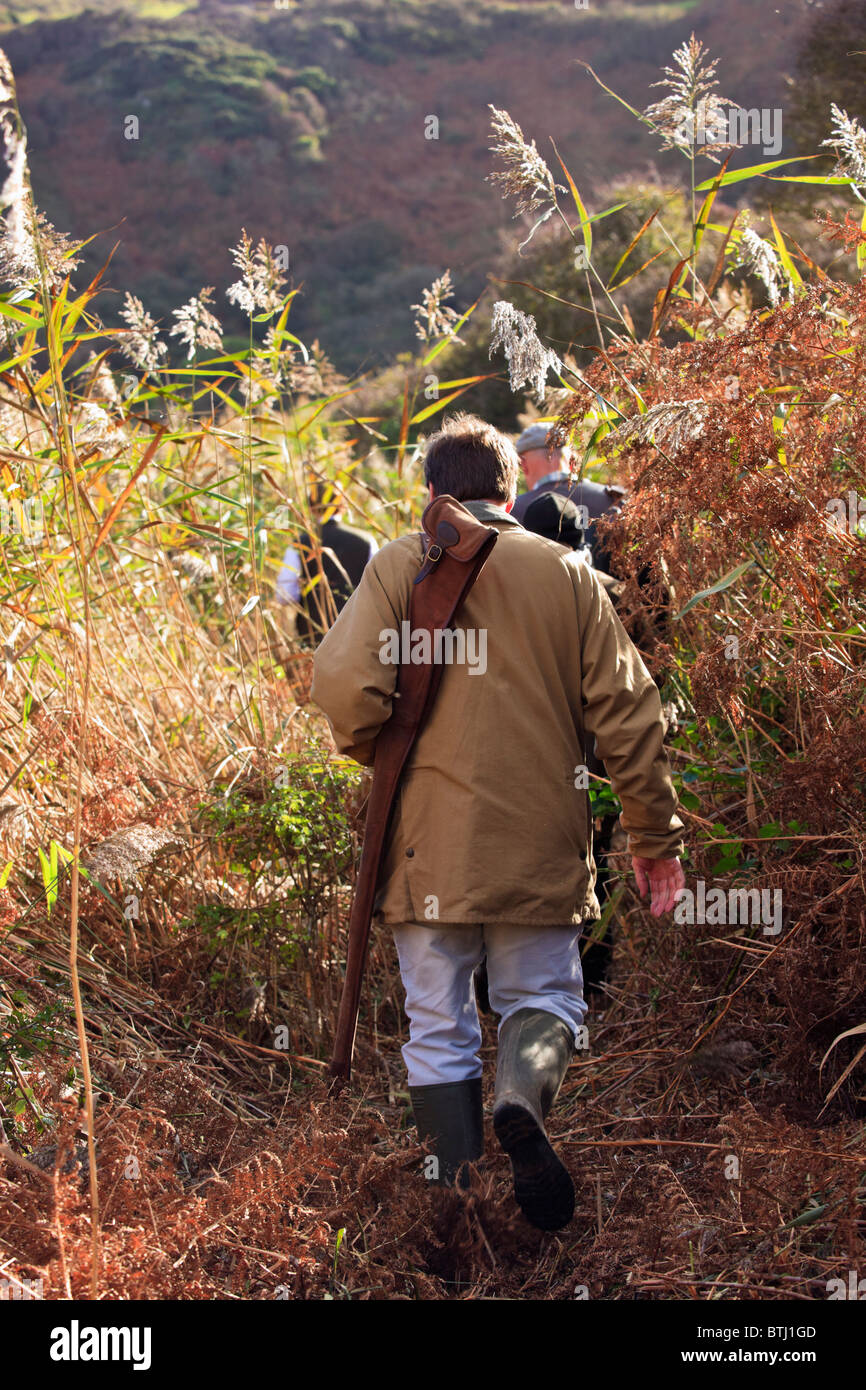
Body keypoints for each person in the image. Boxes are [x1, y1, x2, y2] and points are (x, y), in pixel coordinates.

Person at [312, 414, 685, 1231]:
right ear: (512, 492)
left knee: (439, 1027)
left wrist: (374, 739)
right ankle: (521, 1095)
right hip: (539, 845)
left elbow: (342, 689)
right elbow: (631, 714)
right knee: (545, 998)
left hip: (425, 850)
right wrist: (656, 839)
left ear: (432, 496)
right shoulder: (566, 572)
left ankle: (455, 1205)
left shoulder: (400, 565)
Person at [511, 421, 625, 574]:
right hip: (615, 595)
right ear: (572, 461)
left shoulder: (514, 510)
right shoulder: (612, 500)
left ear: (523, 465)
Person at [275, 481, 378, 640]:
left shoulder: (299, 543)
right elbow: (377, 592)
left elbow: (284, 595)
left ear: (310, 506)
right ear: (343, 505)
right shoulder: (366, 541)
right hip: (356, 636)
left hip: (312, 638)